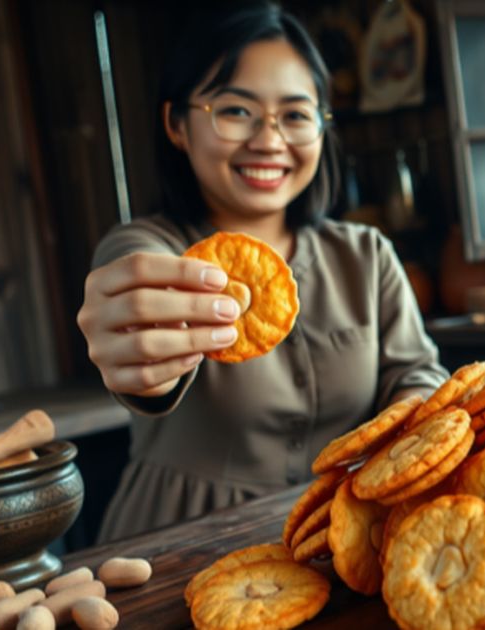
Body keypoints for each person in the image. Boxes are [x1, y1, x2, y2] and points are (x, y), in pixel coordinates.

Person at [77, 3, 448, 543]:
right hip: (172, 546)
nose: (269, 140)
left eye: (296, 115)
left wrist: (405, 431)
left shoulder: (365, 256)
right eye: (235, 111)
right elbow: (133, 295)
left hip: (338, 539)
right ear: (177, 125)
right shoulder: (154, 248)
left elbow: (416, 374)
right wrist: (141, 353)